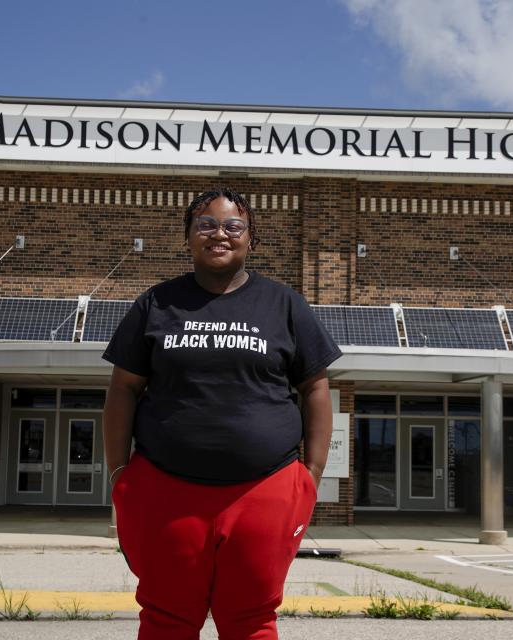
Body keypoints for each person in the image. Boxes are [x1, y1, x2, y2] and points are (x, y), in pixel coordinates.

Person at [102, 187, 341, 640]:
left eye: (234, 225)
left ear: (251, 238)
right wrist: (120, 475)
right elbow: (123, 389)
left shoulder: (283, 304)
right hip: (165, 491)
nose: (220, 234)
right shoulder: (156, 303)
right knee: (166, 618)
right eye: (206, 224)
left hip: (265, 489)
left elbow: (315, 387)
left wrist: (309, 474)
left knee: (250, 619)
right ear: (188, 236)